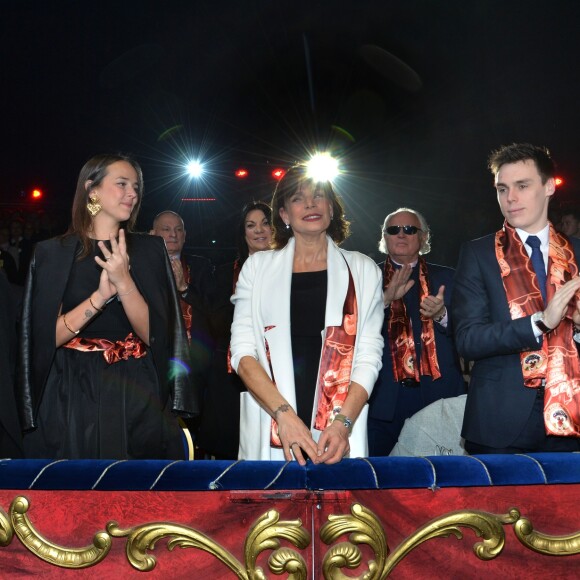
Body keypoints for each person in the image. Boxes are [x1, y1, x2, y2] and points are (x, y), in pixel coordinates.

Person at [20, 154, 198, 459]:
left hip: (137, 386)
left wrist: (124, 282)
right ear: (92, 189)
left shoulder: (149, 250)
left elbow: (159, 337)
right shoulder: (52, 253)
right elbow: (43, 340)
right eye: (122, 184)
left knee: (139, 495)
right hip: (71, 390)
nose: (133, 193)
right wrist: (99, 298)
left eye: (136, 187)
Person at [230, 164, 384, 464]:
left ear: (331, 207)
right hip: (272, 422)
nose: (311, 204)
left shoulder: (363, 269)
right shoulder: (257, 268)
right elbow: (242, 353)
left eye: (319, 195)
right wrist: (284, 416)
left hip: (339, 429)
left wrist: (343, 425)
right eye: (298, 198)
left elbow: (369, 357)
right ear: (284, 214)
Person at [452, 143, 580, 454]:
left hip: (573, 415)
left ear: (549, 186)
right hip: (500, 420)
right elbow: (467, 339)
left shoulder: (578, 251)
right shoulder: (479, 254)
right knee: (494, 506)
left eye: (522, 186)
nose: (510, 198)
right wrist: (539, 323)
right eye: (502, 189)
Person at [367, 208, 466, 456]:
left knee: (442, 481)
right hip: (382, 398)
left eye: (410, 229)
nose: (401, 234)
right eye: (393, 230)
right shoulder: (365, 277)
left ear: (423, 238)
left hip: (439, 395)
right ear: (384, 237)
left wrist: (442, 316)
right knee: (379, 481)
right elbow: (348, 333)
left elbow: (471, 333)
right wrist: (384, 301)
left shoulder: (450, 278)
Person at [196, 201, 273, 459]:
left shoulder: (292, 268)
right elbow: (213, 323)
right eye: (251, 225)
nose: (259, 230)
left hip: (279, 369)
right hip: (230, 372)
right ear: (243, 233)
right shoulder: (223, 274)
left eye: (265, 223)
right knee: (230, 444)